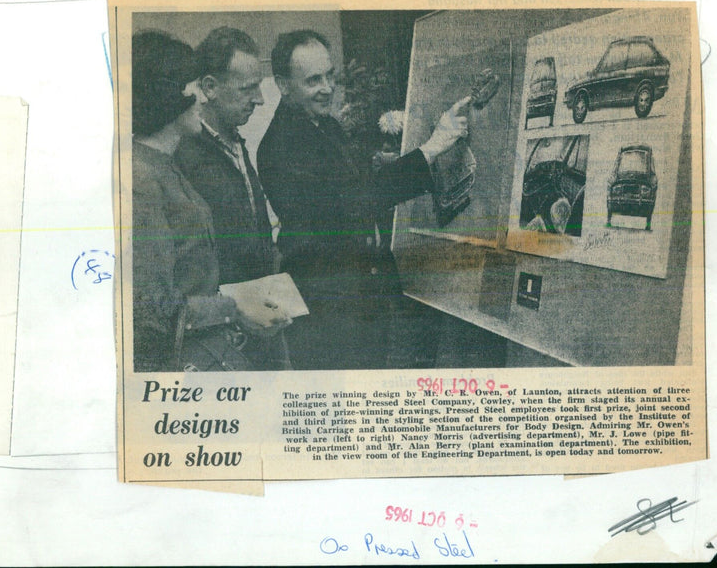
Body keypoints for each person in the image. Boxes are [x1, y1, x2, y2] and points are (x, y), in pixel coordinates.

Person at [257, 29, 470, 370]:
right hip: (329, 314)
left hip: (360, 299)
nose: (327, 88)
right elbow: (352, 201)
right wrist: (431, 147)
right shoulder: (280, 146)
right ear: (283, 85)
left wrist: (384, 163)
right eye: (313, 80)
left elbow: (351, 179)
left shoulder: (322, 124)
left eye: (330, 76)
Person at [131, 30, 284, 372]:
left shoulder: (162, 164)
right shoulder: (141, 178)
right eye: (193, 88)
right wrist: (234, 310)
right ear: (167, 96)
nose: (202, 99)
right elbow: (151, 308)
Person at [174, 26, 291, 368]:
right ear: (209, 87)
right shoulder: (186, 157)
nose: (260, 99)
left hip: (259, 322)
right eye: (247, 88)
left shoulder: (235, 141)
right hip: (224, 336)